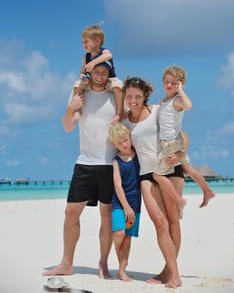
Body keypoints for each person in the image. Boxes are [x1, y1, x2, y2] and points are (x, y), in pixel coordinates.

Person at [43, 62, 121, 278]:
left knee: (106, 216)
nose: (100, 75)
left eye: (104, 72)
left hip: (109, 164)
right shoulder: (79, 93)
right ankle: (66, 263)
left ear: (109, 74)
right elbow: (68, 127)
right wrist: (71, 107)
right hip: (84, 163)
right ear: (90, 72)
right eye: (96, 71)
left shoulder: (115, 94)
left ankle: (103, 264)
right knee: (70, 213)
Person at [122, 76, 185, 289]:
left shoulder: (158, 111)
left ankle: (169, 272)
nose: (133, 100)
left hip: (170, 169)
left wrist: (179, 153)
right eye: (129, 96)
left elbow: (182, 135)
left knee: (173, 222)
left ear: (145, 96)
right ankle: (173, 273)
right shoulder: (124, 121)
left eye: (137, 96)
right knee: (160, 223)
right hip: (146, 174)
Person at [152, 66, 215, 212]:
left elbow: (189, 106)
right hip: (176, 140)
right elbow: (154, 110)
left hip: (170, 143)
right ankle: (207, 190)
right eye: (166, 82)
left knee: (157, 175)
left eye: (174, 83)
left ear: (180, 84)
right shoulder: (164, 101)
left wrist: (180, 90)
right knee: (188, 168)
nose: (169, 85)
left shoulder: (177, 100)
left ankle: (178, 200)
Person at [108, 123, 141, 282]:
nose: (124, 144)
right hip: (119, 203)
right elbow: (117, 185)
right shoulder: (116, 161)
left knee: (127, 237)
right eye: (120, 142)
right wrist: (126, 206)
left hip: (135, 204)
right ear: (114, 145)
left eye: (126, 140)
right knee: (119, 233)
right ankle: (121, 260)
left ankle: (122, 270)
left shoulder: (139, 156)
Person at [72, 24, 123, 124]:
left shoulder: (104, 51)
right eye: (83, 42)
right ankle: (77, 110)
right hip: (93, 80)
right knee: (78, 85)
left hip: (109, 79)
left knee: (118, 86)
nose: (84, 45)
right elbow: (82, 72)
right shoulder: (85, 57)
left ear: (98, 41)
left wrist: (93, 63)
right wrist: (83, 78)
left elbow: (109, 56)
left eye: (87, 41)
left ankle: (119, 114)